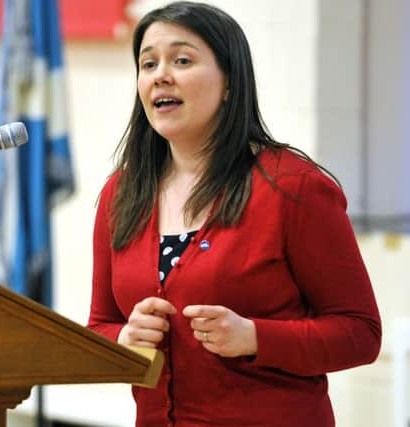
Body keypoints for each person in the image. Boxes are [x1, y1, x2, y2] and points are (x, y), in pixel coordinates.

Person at [86, 2, 382, 426]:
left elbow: (360, 334)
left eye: (182, 60)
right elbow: (100, 326)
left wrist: (256, 337)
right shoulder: (122, 193)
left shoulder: (293, 188)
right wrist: (123, 339)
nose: (160, 75)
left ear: (229, 83)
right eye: (148, 63)